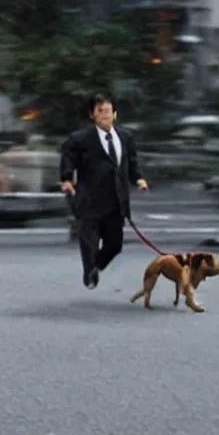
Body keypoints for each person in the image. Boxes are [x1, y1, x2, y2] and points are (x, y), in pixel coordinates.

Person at [60, 92, 149, 290]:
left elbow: (132, 162)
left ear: (115, 114)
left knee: (114, 244)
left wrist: (139, 179)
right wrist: (66, 179)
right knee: (89, 240)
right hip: (90, 198)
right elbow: (68, 158)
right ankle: (89, 271)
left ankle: (96, 267)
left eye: (108, 111)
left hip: (116, 200)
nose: (105, 115)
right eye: (100, 111)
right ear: (92, 115)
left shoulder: (125, 137)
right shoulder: (80, 139)